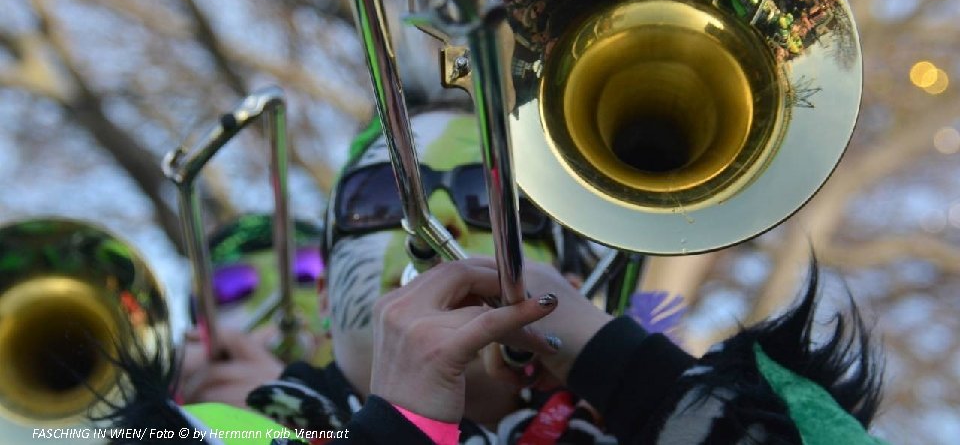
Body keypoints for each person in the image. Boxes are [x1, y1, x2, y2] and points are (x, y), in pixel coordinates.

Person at [103, 102, 888, 444]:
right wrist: (398, 428)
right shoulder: (238, 431)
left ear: (577, 266)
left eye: (490, 200)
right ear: (322, 276)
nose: (437, 228)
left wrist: (623, 364)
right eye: (384, 200)